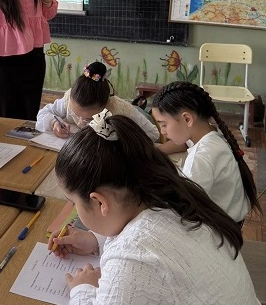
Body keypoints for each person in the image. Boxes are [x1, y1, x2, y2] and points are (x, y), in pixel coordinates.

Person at [48, 110, 259, 304]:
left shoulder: (130, 259)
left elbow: (139, 255)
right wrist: (95, 241)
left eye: (73, 202)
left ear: (100, 202)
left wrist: (83, 289)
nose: (74, 207)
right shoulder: (171, 197)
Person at [151, 81, 261, 224]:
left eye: (163, 124)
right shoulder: (210, 134)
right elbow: (183, 143)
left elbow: (184, 205)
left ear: (187, 119)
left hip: (221, 227)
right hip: (232, 218)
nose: (163, 132)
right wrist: (154, 151)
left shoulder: (201, 157)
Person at [36, 61, 160, 142]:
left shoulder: (121, 110)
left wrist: (118, 139)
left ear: (106, 105)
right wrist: (53, 123)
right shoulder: (68, 99)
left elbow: (153, 134)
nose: (81, 121)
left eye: (89, 119)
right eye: (75, 114)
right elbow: (42, 114)